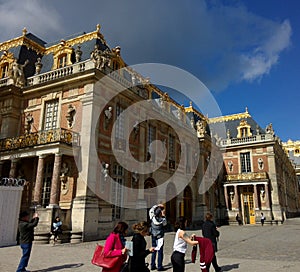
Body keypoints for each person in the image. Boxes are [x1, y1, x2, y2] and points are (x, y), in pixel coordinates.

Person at [149, 204, 167, 271]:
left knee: (153, 250)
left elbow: (151, 210)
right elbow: (165, 224)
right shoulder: (162, 220)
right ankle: (159, 266)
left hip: (153, 235)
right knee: (160, 251)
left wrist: (157, 205)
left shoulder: (152, 217)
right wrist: (163, 215)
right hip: (160, 237)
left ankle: (152, 265)